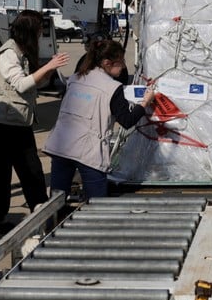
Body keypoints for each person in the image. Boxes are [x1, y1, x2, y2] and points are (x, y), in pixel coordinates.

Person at [0, 10, 68, 234]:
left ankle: (41, 212)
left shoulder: (22, 51)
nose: (40, 34)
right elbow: (21, 84)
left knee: (32, 171)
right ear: (30, 31)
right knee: (0, 176)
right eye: (38, 30)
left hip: (18, 122)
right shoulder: (9, 52)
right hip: (1, 125)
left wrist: (48, 72)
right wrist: (48, 66)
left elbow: (32, 83)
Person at [44, 37, 157, 200]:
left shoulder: (76, 78)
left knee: (56, 200)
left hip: (61, 146)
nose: (124, 66)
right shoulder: (112, 87)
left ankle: (51, 223)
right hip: (88, 152)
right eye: (120, 61)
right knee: (97, 203)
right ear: (106, 63)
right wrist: (145, 102)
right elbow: (127, 120)